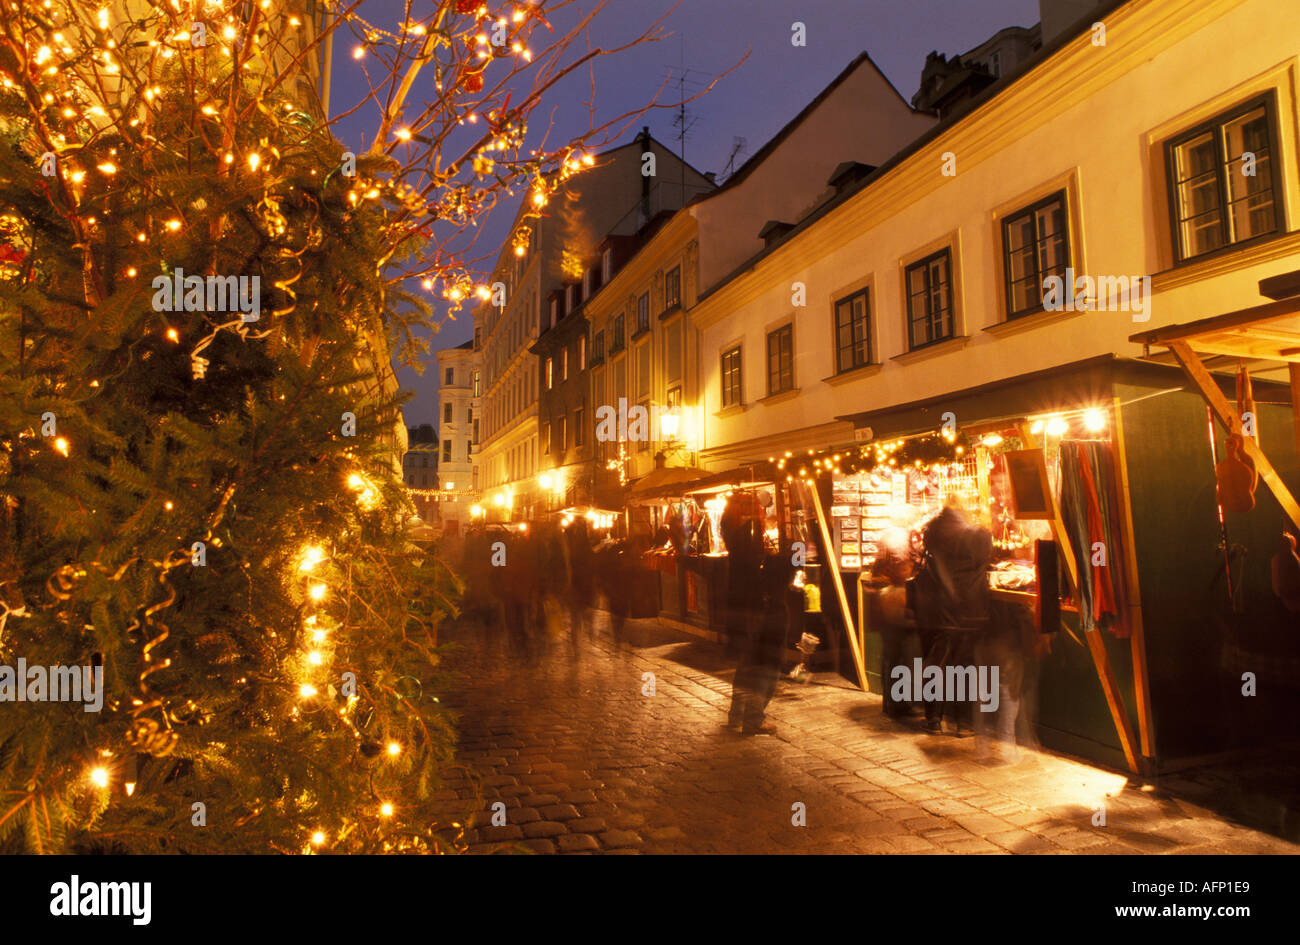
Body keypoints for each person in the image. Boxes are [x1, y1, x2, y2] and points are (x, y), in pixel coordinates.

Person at [913, 495, 993, 737]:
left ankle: (934, 719)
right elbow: (986, 556)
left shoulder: (933, 532)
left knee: (935, 665)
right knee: (966, 666)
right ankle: (963, 723)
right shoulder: (979, 536)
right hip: (970, 610)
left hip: (938, 610)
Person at [563, 518, 596, 658]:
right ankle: (588, 635)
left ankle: (576, 643)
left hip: (577, 585)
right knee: (582, 615)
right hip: (583, 585)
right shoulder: (585, 547)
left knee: (576, 617)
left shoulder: (572, 547)